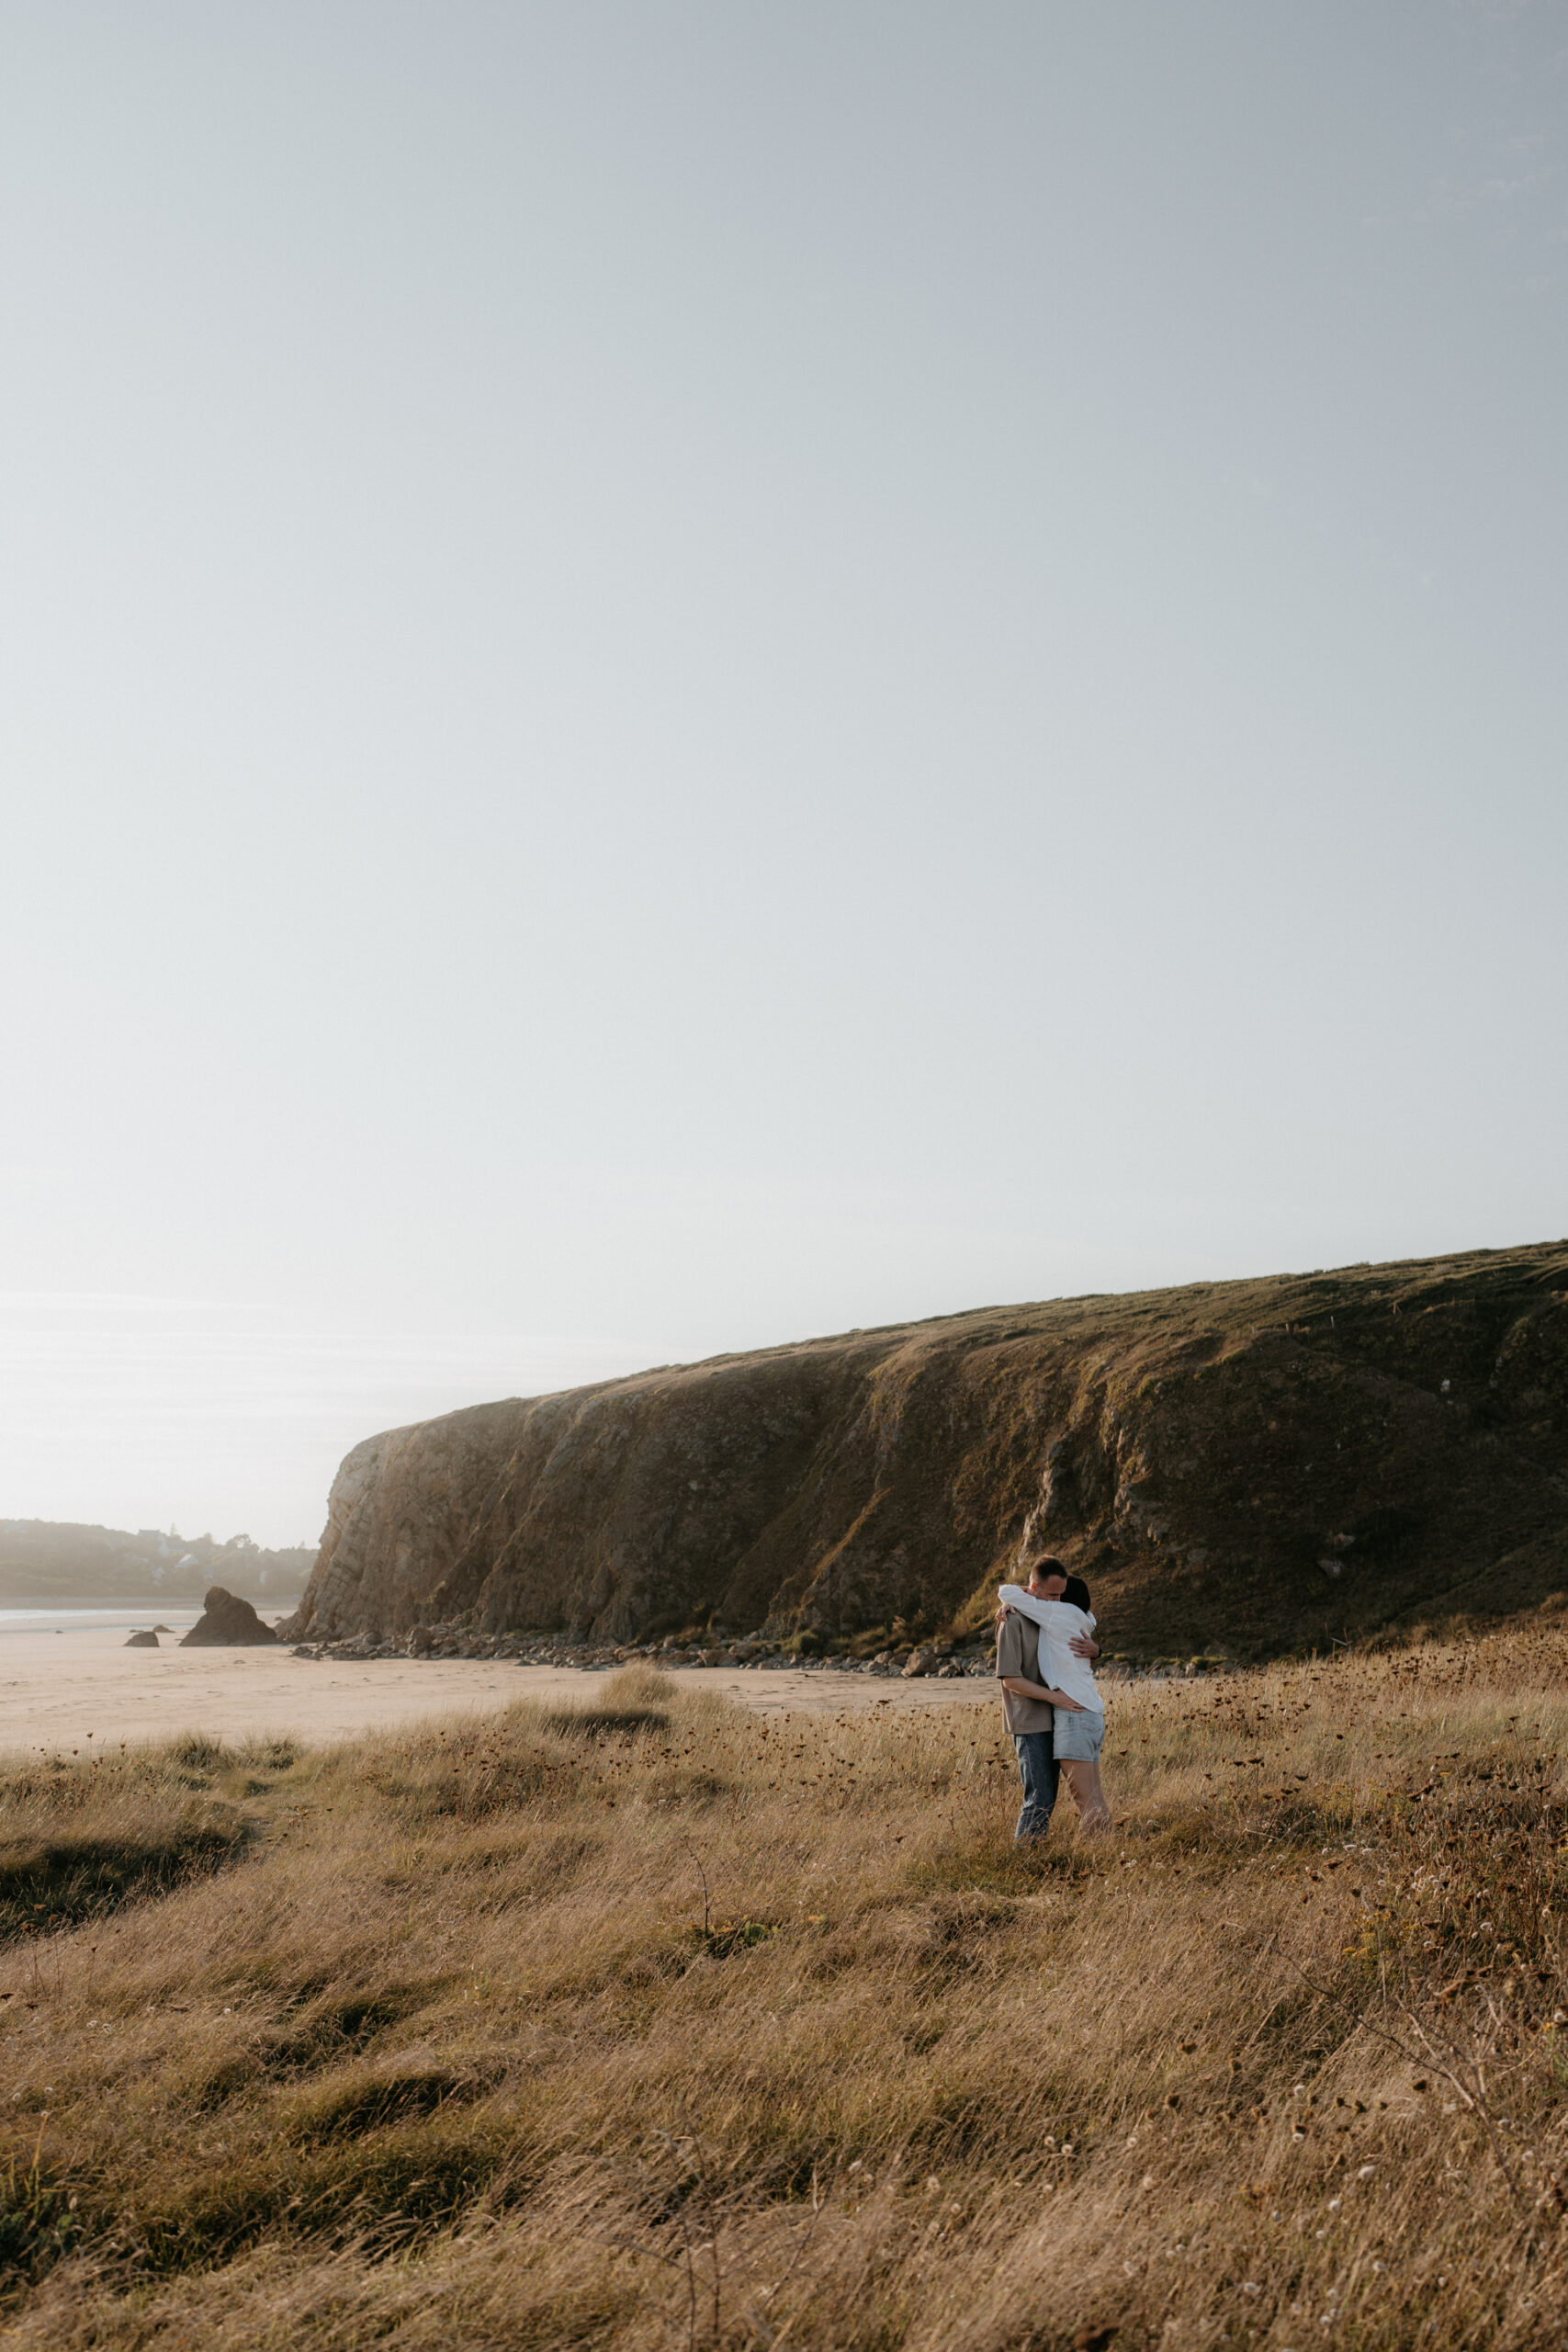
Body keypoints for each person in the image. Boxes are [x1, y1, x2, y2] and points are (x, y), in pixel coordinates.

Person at [998, 1568, 1111, 1835]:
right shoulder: (1014, 1619)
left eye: (1061, 1595)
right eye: (1052, 1594)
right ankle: (1029, 1862)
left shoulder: (1052, 1614)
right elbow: (1009, 1679)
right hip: (1033, 1720)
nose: (1056, 1601)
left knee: (1078, 1801)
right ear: (1036, 1588)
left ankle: (1097, 1859)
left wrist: (1097, 1651)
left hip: (1066, 1714)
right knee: (1042, 1800)